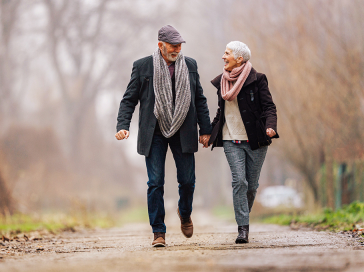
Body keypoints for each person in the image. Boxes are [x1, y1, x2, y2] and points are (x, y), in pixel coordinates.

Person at [115, 25, 212, 247]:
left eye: (179, 46)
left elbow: (199, 99)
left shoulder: (190, 65)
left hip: (183, 129)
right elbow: (129, 99)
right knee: (155, 182)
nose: (177, 50)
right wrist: (123, 125)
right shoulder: (142, 66)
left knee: (187, 181)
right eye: (173, 46)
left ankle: (184, 212)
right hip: (155, 132)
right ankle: (158, 232)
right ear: (161, 45)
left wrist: (205, 130)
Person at [206, 41, 279, 244]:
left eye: (227, 53)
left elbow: (269, 107)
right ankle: (243, 229)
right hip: (231, 139)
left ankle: (242, 217)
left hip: (255, 139)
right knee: (239, 181)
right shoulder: (222, 81)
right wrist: (208, 133)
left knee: (252, 186)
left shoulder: (258, 80)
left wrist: (270, 126)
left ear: (239, 58)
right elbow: (222, 113)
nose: (223, 56)